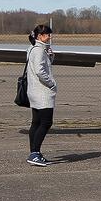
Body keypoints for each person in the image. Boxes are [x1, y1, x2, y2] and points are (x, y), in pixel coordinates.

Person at [26, 24, 57, 167]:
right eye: (47, 35)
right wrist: (51, 83)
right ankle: (35, 154)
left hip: (34, 91)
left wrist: (50, 56)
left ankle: (34, 152)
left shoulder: (33, 49)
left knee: (36, 122)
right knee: (46, 122)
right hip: (42, 92)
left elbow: (43, 66)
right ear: (39, 36)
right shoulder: (39, 51)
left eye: (49, 34)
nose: (49, 36)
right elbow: (40, 71)